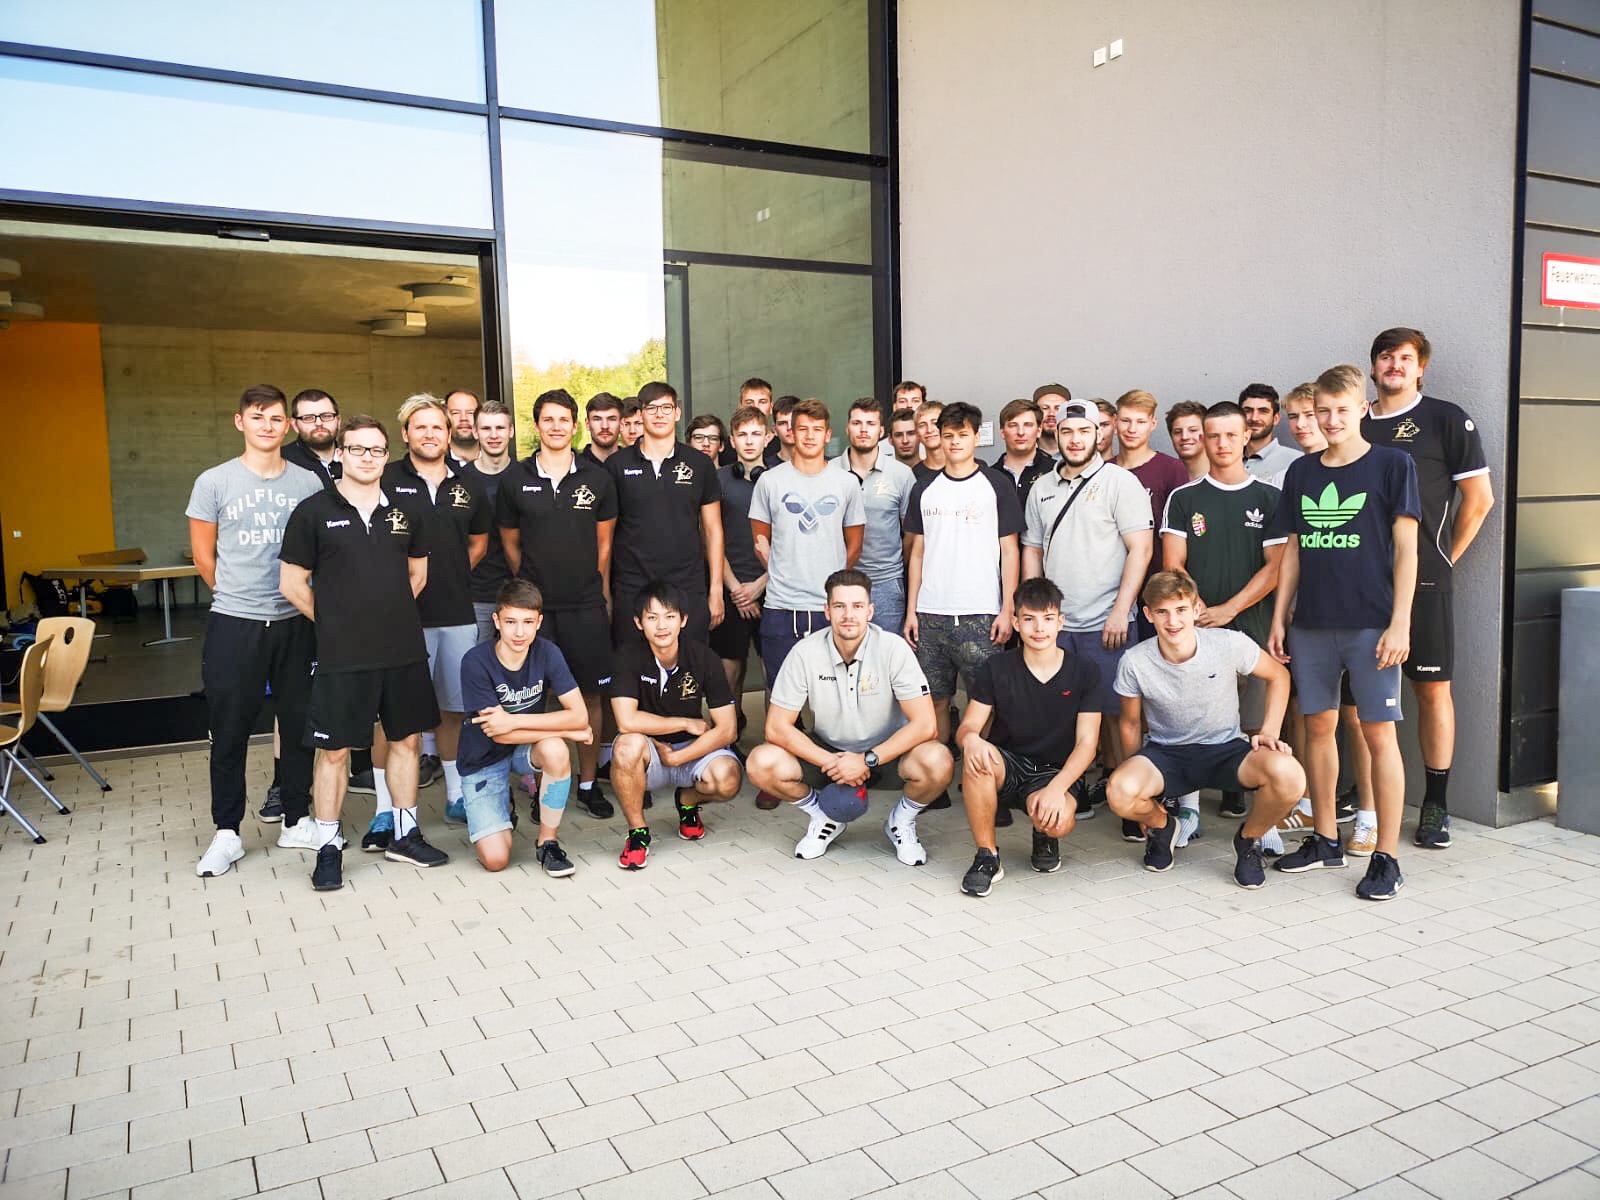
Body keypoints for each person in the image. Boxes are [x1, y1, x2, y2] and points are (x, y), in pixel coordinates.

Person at [1267, 364, 1420, 901]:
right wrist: (1280, 616)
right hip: (1312, 624)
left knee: (1379, 735)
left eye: (1340, 410)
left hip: (1372, 624)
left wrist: (1400, 621)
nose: (1330, 420)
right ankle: (1326, 839)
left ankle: (1387, 857)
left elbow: (1407, 550)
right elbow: (1292, 551)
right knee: (1317, 728)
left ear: (1362, 409)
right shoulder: (1302, 472)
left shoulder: (1392, 464)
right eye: (1321, 412)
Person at [279, 414, 448, 891]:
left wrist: (385, 615)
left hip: (402, 648)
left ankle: (404, 835)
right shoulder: (313, 512)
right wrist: (336, 623)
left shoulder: (406, 513)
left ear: (386, 455)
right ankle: (328, 846)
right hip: (343, 654)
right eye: (357, 449)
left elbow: (418, 575)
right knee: (333, 750)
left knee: (407, 741)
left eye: (376, 450)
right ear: (341, 453)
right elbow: (292, 583)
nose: (367, 458)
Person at [1360, 326, 1493, 850]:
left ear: (1421, 368)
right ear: (1373, 367)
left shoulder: (1446, 419)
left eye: (1405, 357)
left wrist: (1441, 559)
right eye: (1385, 356)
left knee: (1432, 689)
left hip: (1426, 582)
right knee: (1359, 697)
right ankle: (1363, 798)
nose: (1394, 365)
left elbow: (1479, 499)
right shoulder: (1355, 421)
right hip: (1359, 585)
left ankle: (1435, 802)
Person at [188, 384, 324, 877]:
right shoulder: (214, 482)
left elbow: (319, 550)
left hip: (295, 623)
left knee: (299, 726)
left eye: (275, 419)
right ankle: (227, 832)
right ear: (240, 422)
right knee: (229, 731)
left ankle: (296, 819)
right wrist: (240, 598)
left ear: (288, 426)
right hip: (235, 624)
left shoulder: (308, 483)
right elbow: (204, 557)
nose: (267, 426)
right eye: (257, 416)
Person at [1107, 571, 1305, 888]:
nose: (1173, 621)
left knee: (1290, 775)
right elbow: (1130, 723)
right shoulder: (1135, 661)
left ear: (1196, 609)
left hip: (1227, 749)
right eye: (1162, 612)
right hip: (1167, 754)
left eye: (1181, 610)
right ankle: (1163, 828)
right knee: (1119, 790)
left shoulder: (1227, 643)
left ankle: (1249, 840)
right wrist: (1141, 787)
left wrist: (1270, 731)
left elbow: (1279, 676)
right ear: (1148, 614)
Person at [747, 569, 954, 864]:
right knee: (761, 762)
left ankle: (901, 821)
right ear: (827, 611)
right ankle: (823, 819)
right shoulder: (804, 652)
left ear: (870, 611)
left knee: (938, 760)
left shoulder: (893, 648)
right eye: (840, 606)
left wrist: (866, 760)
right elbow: (777, 728)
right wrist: (832, 762)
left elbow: (926, 725)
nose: (848, 615)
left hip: (887, 752)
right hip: (829, 752)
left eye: (857, 606)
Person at [1022, 400, 1153, 814]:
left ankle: (1129, 795)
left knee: (1119, 714)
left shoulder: (1120, 482)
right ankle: (1070, 789)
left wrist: (1121, 610)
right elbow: (1032, 549)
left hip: (1106, 621)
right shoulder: (1041, 487)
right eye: (1067, 432)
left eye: (1083, 431)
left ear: (1099, 433)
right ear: (1057, 435)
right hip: (1056, 625)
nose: (1075, 440)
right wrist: (1033, 611)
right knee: (1060, 712)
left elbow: (1141, 549)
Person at [1161, 401, 1286, 821]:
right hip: (1199, 626)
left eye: (1231, 435)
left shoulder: (1269, 497)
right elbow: (1174, 563)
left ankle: (1251, 805)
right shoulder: (1184, 498)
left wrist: (1230, 609)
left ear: (1247, 436)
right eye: (1213, 435)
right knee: (1196, 717)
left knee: (1251, 721)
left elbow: (1275, 568)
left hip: (1252, 625)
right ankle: (1189, 808)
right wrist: (1200, 606)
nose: (1222, 443)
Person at [497, 388, 618, 819]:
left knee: (590, 697)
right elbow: (510, 543)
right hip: (535, 612)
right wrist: (530, 590)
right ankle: (540, 785)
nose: (555, 426)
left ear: (575, 425)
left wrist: (593, 587)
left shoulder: (597, 479)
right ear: (536, 426)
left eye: (563, 419)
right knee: (531, 699)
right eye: (547, 419)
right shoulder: (515, 479)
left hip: (584, 606)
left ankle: (587, 784)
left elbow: (604, 544)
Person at [378, 394, 493, 841]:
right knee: (393, 716)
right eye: (420, 427)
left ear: (449, 434)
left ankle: (456, 796)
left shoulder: (469, 484)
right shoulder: (385, 479)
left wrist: (451, 573)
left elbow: (478, 542)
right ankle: (385, 809)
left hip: (456, 613)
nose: (430, 434)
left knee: (454, 711)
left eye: (437, 427)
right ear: (405, 434)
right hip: (399, 617)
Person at [956, 578, 1103, 896]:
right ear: (1015, 622)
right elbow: (967, 727)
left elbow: (1087, 744)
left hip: (1055, 770)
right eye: (1029, 619)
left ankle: (1044, 835)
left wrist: (1057, 788)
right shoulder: (996, 667)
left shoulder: (1085, 671)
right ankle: (987, 857)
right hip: (1008, 764)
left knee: (1058, 821)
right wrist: (972, 740)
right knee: (976, 757)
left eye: (1048, 619)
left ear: (1060, 622)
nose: (1039, 628)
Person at [904, 402, 1022, 749]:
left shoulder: (996, 485)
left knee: (985, 702)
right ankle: (938, 767)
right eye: (948, 435)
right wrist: (912, 611)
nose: (954, 442)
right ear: (939, 438)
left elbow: (1010, 550)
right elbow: (917, 552)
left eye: (962, 434)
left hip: (981, 614)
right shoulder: (924, 488)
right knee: (934, 700)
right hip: (930, 614)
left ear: (976, 437)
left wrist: (1007, 609)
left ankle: (979, 770)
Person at [456, 580, 592, 875]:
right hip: (483, 759)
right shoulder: (475, 661)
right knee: (495, 861)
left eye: (528, 622)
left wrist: (513, 720)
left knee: (556, 752)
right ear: (496, 621)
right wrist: (566, 730)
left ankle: (547, 843)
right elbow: (497, 733)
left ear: (539, 622)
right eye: (511, 622)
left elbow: (580, 715)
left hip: (524, 747)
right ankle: (503, 804)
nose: (519, 632)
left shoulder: (548, 652)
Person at [609, 582, 743, 870]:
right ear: (638, 622)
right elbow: (626, 720)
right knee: (625, 746)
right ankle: (638, 833)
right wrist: (684, 722)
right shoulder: (626, 656)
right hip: (649, 750)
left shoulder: (704, 657)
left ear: (683, 620)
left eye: (670, 616)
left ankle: (687, 800)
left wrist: (678, 757)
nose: (661, 626)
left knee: (729, 779)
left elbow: (727, 729)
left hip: (691, 750)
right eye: (652, 617)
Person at [751, 398, 866, 683]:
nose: (810, 436)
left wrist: (835, 582)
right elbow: (760, 541)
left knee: (835, 688)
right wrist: (782, 574)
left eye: (817, 429)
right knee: (782, 690)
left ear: (828, 435)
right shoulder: (769, 481)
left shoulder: (847, 483)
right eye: (803, 429)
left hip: (830, 606)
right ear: (791, 433)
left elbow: (855, 544)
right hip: (781, 605)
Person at [605, 381, 724, 644]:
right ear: (641, 414)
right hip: (632, 586)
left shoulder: (699, 464)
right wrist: (605, 593)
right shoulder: (616, 466)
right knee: (632, 666)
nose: (659, 414)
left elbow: (713, 530)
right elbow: (605, 536)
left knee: (690, 665)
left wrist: (716, 589)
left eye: (666, 408)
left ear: (677, 413)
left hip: (687, 586)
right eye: (652, 408)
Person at [836, 397, 916, 635]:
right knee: (843, 650)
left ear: (881, 431)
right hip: (840, 580)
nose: (863, 430)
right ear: (847, 428)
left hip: (886, 583)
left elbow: (910, 533)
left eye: (870, 424)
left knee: (886, 651)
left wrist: (895, 564)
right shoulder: (829, 472)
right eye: (857, 423)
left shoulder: (902, 475)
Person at [712, 406, 769, 733]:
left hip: (773, 588)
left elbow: (790, 541)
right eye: (742, 435)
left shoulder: (780, 478)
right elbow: (710, 537)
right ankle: (727, 738)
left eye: (756, 434)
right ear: (732, 440)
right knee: (729, 671)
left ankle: (777, 741)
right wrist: (736, 588)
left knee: (775, 670)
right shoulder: (718, 480)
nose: (749, 441)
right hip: (730, 588)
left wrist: (761, 584)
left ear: (767, 437)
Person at [1114, 390, 1189, 568]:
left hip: (1156, 577)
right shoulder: (1103, 470)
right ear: (1115, 422)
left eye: (1140, 422)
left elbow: (1183, 533)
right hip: (1108, 577)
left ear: (1153, 424)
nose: (1132, 429)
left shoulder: (1171, 469)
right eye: (1126, 421)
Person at [466, 400, 515, 644]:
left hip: (519, 593)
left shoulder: (525, 476)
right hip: (477, 594)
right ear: (475, 432)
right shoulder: (461, 480)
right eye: (486, 428)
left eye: (500, 428)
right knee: (477, 662)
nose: (494, 435)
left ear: (511, 431)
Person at [992, 398, 1056, 502]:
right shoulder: (989, 477)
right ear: (1002, 432)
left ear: (1038, 431)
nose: (1020, 432)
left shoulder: (1056, 471)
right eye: (1013, 425)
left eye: (1028, 425)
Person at [1239, 383, 1301, 481]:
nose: (1254, 418)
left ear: (1276, 419)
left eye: (1263, 411)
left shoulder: (1296, 462)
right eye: (1248, 411)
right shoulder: (1225, 457)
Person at [282, 388, 342, 489]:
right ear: (295, 425)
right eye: (308, 418)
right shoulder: (280, 461)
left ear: (338, 421)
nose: (319, 423)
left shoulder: (356, 457)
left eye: (326, 416)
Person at [1165, 400, 1209, 481]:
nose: (1184, 437)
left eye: (1193, 430)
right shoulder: (1166, 479)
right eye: (1177, 432)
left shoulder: (1223, 478)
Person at [582, 392, 623, 465]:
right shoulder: (575, 466)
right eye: (597, 419)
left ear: (621, 424)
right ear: (587, 424)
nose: (605, 426)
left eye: (611, 419)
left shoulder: (635, 464)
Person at [1034, 383, 1070, 459]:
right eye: (1045, 408)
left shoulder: (1082, 453)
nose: (1051, 414)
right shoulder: (1024, 452)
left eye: (1058, 408)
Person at [912, 400, 946, 480]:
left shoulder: (967, 468)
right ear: (917, 433)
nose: (929, 430)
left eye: (935, 423)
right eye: (922, 425)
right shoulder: (912, 476)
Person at [445, 388, 480, 465]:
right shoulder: (435, 462)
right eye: (455, 413)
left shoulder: (497, 459)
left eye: (471, 413)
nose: (464, 418)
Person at [771, 395, 799, 464]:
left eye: (794, 422)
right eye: (783, 423)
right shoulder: (767, 467)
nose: (789, 427)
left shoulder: (822, 464)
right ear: (775, 429)